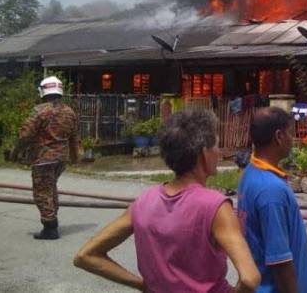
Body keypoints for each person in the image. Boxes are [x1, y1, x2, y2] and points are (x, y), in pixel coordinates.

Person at [74, 109, 260, 293]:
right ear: (203, 154)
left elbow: (85, 255)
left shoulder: (144, 201)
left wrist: (141, 284)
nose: (218, 152)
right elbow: (250, 279)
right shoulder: (215, 206)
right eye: (216, 146)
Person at [238, 107, 307, 293]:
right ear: (279, 136)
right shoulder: (271, 190)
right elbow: (280, 261)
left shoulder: (250, 173)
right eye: (290, 132)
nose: (293, 139)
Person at [11, 75, 78, 240]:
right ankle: (52, 222)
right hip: (61, 158)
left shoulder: (40, 111)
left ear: (43, 91)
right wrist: (75, 156)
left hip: (43, 159)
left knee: (42, 192)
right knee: (50, 188)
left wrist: (15, 152)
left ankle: (50, 227)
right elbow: (74, 137)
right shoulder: (69, 112)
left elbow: (25, 135)